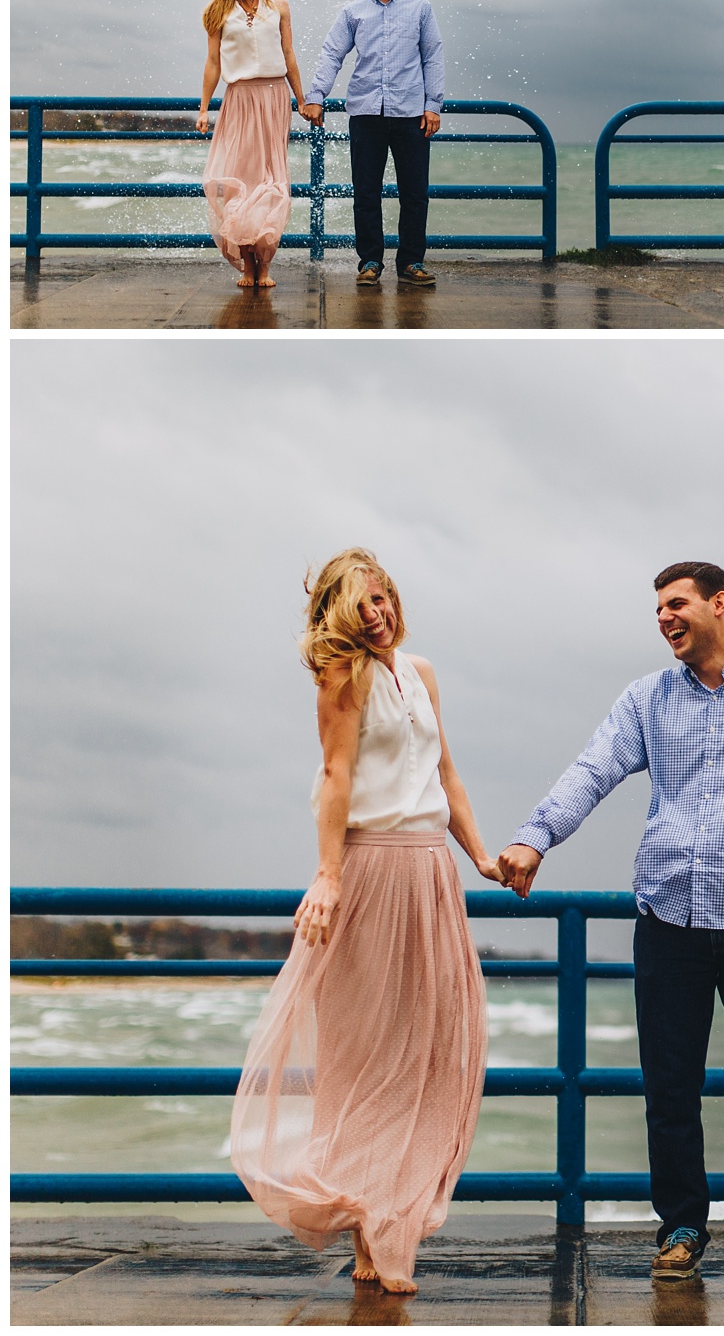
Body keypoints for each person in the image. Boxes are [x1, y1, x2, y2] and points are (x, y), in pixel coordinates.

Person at [498, 563, 724, 1283]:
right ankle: (682, 1225)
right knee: (670, 1088)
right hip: (669, 920)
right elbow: (593, 769)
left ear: (719, 603)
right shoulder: (646, 699)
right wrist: (537, 835)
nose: (663, 617)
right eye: (658, 608)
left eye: (676, 603)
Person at [231, 549, 504, 1295]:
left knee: (429, 1049)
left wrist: (480, 856)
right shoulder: (339, 679)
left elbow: (445, 773)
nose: (378, 611)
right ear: (337, 613)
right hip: (372, 869)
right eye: (361, 603)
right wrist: (327, 875)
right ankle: (366, 1234)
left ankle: (386, 1221)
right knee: (364, 1055)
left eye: (383, 596)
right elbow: (335, 778)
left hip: (431, 873)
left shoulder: (422, 673)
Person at [302, 0, 444, 288]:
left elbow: (433, 57)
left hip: (411, 114)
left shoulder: (420, 8)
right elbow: (333, 54)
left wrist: (433, 105)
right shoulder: (352, 12)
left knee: (415, 193)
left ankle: (411, 261)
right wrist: (316, 96)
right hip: (366, 112)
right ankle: (369, 261)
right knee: (366, 192)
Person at [197, 0, 309, 289]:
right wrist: (203, 108)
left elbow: (288, 53)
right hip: (240, 100)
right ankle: (247, 267)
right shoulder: (218, 11)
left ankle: (265, 265)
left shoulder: (279, 6)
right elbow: (214, 62)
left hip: (275, 98)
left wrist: (302, 101)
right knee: (239, 184)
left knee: (272, 183)